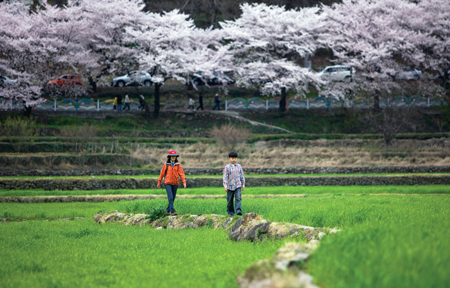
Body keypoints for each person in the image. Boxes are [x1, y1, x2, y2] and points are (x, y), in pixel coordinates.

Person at [157, 150, 187, 216]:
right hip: (167, 183)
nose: (173, 157)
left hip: (175, 183)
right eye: (172, 156)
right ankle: (173, 211)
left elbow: (181, 173)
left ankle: (167, 210)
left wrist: (184, 182)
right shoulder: (166, 164)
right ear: (169, 157)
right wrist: (159, 182)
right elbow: (162, 174)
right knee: (170, 197)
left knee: (173, 198)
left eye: (174, 156)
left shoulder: (178, 164)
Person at [223, 151, 245, 217]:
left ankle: (238, 211)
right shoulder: (226, 167)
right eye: (232, 158)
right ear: (229, 159)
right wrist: (225, 185)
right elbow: (225, 177)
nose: (234, 159)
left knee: (238, 198)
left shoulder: (239, 166)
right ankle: (230, 213)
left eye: (235, 158)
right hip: (229, 186)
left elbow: (242, 175)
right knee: (229, 200)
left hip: (238, 185)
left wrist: (243, 184)